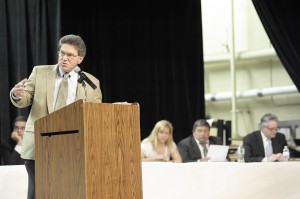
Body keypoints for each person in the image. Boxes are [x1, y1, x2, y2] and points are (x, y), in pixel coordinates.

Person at [9, 34, 102, 199]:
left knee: (68, 192)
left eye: (70, 55)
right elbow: (24, 98)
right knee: (37, 192)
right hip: (39, 143)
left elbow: (95, 115)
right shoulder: (40, 72)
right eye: (62, 53)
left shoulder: (90, 83)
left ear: (80, 58)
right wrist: (16, 94)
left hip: (73, 147)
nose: (64, 58)